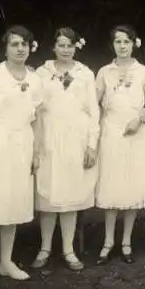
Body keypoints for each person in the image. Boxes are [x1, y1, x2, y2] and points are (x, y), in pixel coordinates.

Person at [0, 25, 44, 286]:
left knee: (13, 205)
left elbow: (36, 119)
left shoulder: (35, 79)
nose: (20, 49)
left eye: (24, 44)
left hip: (22, 144)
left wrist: (36, 152)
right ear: (6, 48)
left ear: (30, 47)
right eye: (14, 44)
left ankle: (6, 262)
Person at [31, 27, 99, 271]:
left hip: (76, 140)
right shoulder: (41, 73)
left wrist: (92, 145)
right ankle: (45, 247)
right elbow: (35, 107)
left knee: (70, 196)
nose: (65, 50)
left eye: (70, 45)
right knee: (48, 195)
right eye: (61, 45)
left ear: (76, 47)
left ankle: (68, 249)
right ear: (53, 47)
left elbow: (94, 111)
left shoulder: (85, 74)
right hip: (49, 138)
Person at [95, 24, 145, 265]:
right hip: (112, 134)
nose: (122, 46)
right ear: (113, 45)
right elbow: (94, 103)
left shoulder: (144, 71)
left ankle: (126, 242)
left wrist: (141, 116)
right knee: (112, 187)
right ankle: (108, 242)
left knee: (131, 186)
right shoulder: (103, 72)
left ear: (134, 44)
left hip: (135, 134)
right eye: (118, 41)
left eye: (126, 41)